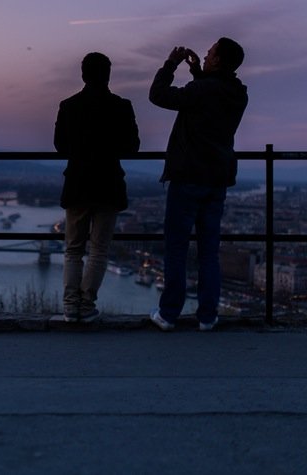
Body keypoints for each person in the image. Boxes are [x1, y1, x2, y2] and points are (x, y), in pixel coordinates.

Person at [148, 38, 248, 332]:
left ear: (217, 60)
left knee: (177, 248)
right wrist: (197, 72)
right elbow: (211, 95)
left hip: (188, 176)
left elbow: (158, 95)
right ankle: (207, 315)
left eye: (210, 52)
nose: (204, 54)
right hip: (217, 179)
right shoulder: (238, 94)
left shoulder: (202, 90)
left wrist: (171, 64)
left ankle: (168, 314)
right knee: (208, 250)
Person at [55, 52, 140, 323]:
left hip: (78, 183)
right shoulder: (122, 106)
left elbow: (60, 145)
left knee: (73, 249)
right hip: (108, 183)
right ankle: (87, 304)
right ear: (108, 75)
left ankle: (69, 306)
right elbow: (132, 147)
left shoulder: (68, 106)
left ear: (83, 75)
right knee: (99, 249)